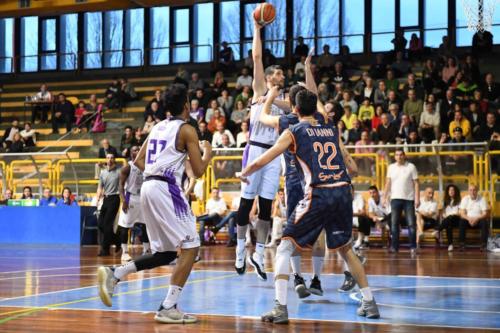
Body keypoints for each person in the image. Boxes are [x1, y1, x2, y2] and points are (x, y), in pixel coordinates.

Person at [239, 89, 380, 323]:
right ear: (316, 109)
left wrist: (245, 172)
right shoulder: (331, 128)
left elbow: (265, 158)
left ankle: (280, 308)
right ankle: (369, 302)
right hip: (343, 190)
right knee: (346, 248)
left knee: (284, 247)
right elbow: (348, 163)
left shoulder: (294, 131)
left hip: (319, 192)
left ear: (294, 109)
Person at [97, 84, 212, 324]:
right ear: (185, 105)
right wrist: (208, 152)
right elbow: (199, 171)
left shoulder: (158, 127)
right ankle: (168, 306)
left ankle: (114, 274)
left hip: (148, 186)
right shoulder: (188, 130)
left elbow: (138, 161)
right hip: (164, 189)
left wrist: (160, 171)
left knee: (166, 252)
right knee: (191, 246)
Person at [233, 19, 288, 281]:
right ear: (268, 78)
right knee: (245, 206)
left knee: (266, 209)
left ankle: (260, 252)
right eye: (278, 74)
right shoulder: (259, 91)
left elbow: (292, 109)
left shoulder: (285, 102)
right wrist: (256, 29)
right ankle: (240, 249)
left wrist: (276, 98)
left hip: (274, 155)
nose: (282, 77)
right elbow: (256, 56)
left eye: (283, 76)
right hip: (255, 150)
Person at [117, 145, 150, 262]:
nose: (138, 151)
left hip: (143, 198)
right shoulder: (128, 167)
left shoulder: (147, 166)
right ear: (131, 154)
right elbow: (120, 185)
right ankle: (125, 252)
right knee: (125, 226)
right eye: (135, 150)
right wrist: (123, 200)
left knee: (146, 225)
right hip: (130, 198)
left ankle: (146, 250)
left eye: (139, 149)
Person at [383, 149, 420, 255]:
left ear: (404, 156)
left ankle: (413, 247)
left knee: (411, 224)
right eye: (397, 155)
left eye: (401, 155)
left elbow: (416, 183)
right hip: (395, 198)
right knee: (394, 224)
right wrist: (384, 197)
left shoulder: (411, 167)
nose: (399, 157)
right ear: (394, 157)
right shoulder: (391, 167)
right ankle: (394, 247)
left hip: (409, 199)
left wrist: (417, 198)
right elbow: (388, 183)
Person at [96, 153, 121, 256]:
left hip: (115, 198)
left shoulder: (119, 172)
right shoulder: (103, 172)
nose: (110, 159)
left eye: (112, 158)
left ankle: (105, 250)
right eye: (108, 158)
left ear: (114, 160)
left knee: (107, 224)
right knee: (101, 224)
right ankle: (117, 241)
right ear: (106, 160)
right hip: (105, 199)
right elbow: (100, 187)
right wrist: (98, 197)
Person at [459, 184, 489, 251]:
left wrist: (477, 218)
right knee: (462, 222)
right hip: (468, 220)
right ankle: (462, 244)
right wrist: (469, 219)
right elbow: (462, 213)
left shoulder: (482, 199)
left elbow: (485, 213)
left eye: (474, 190)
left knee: (484, 222)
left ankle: (483, 245)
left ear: (477, 191)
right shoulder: (465, 199)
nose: (472, 192)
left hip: (478, 220)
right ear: (468, 191)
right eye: (470, 190)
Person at [432, 184, 461, 252]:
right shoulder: (445, 201)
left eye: (453, 190)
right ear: (447, 192)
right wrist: (445, 216)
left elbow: (459, 212)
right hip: (448, 220)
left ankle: (438, 230)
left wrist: (450, 215)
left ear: (455, 191)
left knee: (450, 218)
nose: (451, 191)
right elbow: (442, 213)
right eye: (450, 190)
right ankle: (450, 245)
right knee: (448, 225)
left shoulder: (459, 201)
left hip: (456, 219)